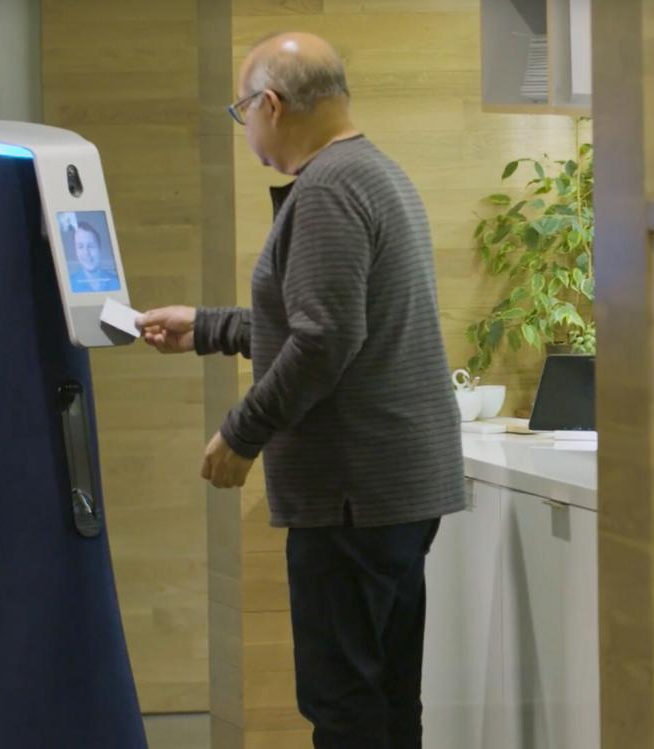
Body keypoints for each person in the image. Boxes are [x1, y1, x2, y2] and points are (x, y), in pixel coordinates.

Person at [136, 31, 465, 749]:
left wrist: (241, 432)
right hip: (391, 488)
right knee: (383, 698)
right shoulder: (373, 172)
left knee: (343, 705)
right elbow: (327, 321)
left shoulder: (327, 191)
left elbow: (322, 341)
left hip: (352, 493)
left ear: (271, 105)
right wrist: (208, 326)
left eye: (240, 111)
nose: (244, 127)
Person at [68, 220, 119, 293]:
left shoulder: (116, 282)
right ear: (76, 251)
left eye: (91, 246)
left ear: (99, 248)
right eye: (80, 247)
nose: (86, 253)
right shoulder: (69, 284)